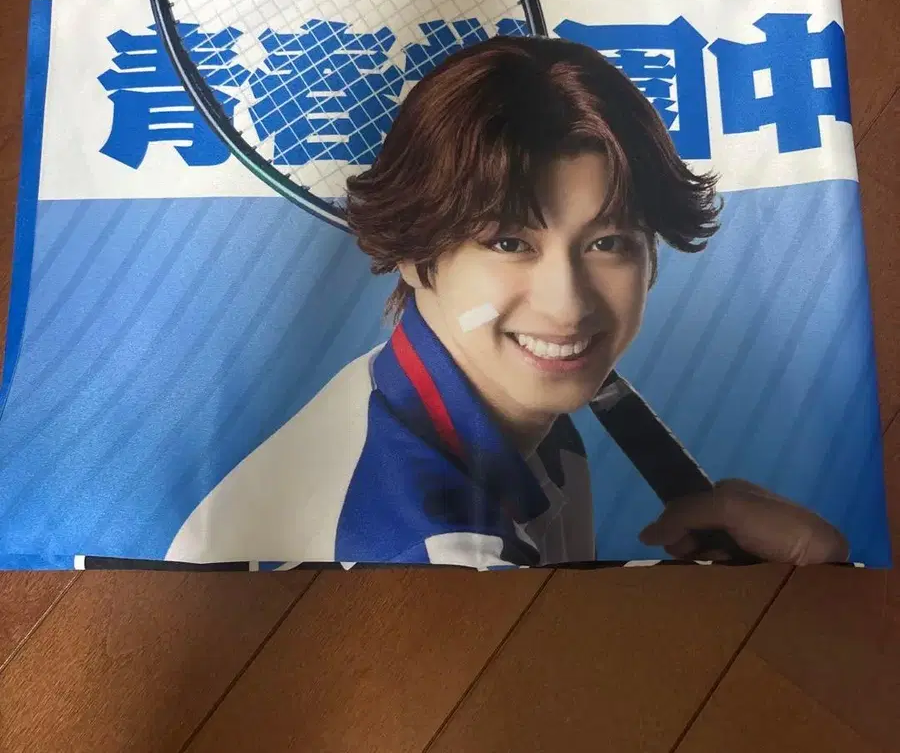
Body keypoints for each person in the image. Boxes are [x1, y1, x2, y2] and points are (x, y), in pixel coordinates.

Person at [166, 35, 849, 569]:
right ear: (415, 253)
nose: (568, 305)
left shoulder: (489, 399)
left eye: (608, 242)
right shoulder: (430, 549)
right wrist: (814, 591)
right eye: (510, 243)